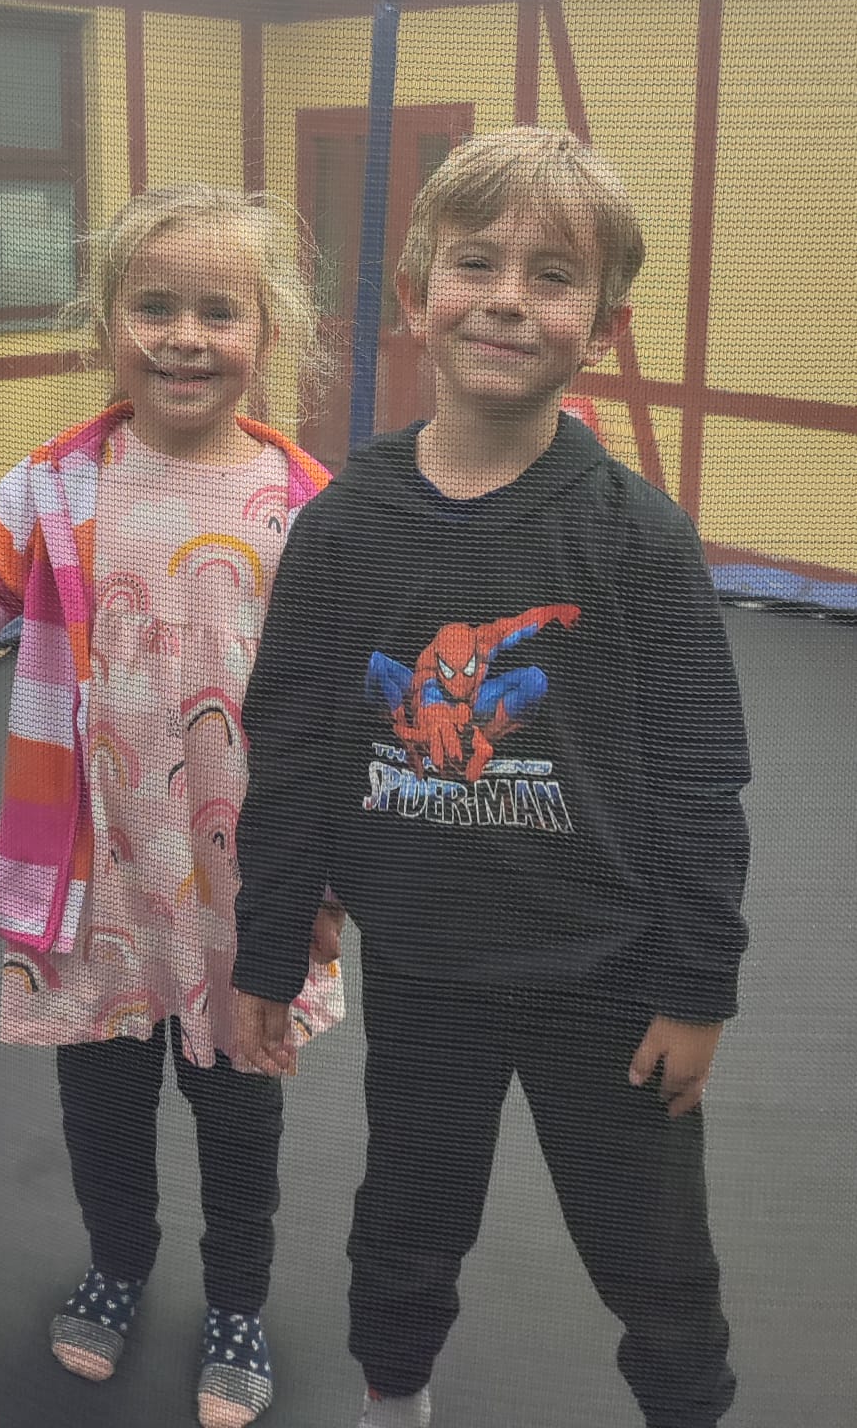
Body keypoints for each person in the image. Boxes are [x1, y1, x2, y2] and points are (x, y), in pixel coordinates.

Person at [231, 127, 751, 1428]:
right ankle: (393, 1396)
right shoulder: (340, 530)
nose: (509, 296)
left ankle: (687, 1407)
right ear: (417, 296)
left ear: (604, 328)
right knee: (405, 1220)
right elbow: (292, 750)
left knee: (656, 1258)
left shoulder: (637, 537)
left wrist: (699, 987)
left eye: (553, 275)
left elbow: (699, 774)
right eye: (476, 263)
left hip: (608, 976)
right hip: (425, 972)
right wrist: (267, 948)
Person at [0, 184, 345, 1428]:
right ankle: (118, 1263)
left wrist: (332, 877)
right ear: (106, 325)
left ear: (268, 333)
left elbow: (347, 702)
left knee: (239, 1106)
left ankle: (238, 1300)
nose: (185, 334)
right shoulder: (58, 483)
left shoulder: (308, 504)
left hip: (242, 887)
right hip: (97, 878)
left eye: (219, 310)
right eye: (154, 305)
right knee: (103, 1105)